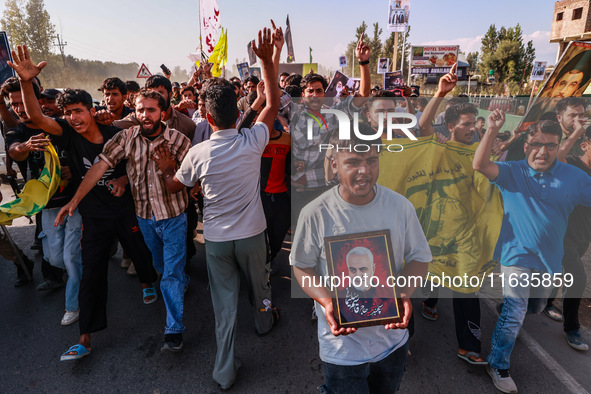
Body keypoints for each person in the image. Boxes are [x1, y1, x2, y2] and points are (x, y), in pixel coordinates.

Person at [8, 44, 158, 361]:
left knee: (137, 249)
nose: (72, 118)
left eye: (78, 111)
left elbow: (137, 165)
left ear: (92, 110)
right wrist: (25, 81)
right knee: (91, 274)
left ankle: (148, 280)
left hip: (123, 208)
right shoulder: (65, 132)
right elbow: (36, 115)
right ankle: (85, 338)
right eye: (67, 113)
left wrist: (123, 181)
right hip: (93, 216)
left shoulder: (113, 133)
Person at [154, 27, 281, 390]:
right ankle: (264, 321)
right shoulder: (254, 140)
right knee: (261, 288)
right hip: (254, 236)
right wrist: (266, 62)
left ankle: (224, 371)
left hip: (218, 242)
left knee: (224, 307)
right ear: (234, 112)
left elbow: (175, 185)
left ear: (207, 119)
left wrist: (166, 167)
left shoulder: (197, 153)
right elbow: (271, 105)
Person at [291, 131, 431, 393]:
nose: (364, 171)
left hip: (392, 343)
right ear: (334, 164)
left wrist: (402, 294)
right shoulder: (315, 213)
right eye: (353, 162)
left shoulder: (400, 207)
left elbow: (419, 259)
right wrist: (327, 301)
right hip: (341, 349)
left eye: (371, 160)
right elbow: (301, 266)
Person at [57, 88, 192, 353]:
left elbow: (189, 179)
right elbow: (100, 165)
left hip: (174, 217)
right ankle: (179, 283)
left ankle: (173, 330)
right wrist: (75, 200)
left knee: (171, 275)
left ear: (162, 112)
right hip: (144, 218)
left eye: (151, 110)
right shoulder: (127, 137)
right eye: (140, 110)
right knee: (160, 266)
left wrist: (169, 170)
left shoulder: (178, 141)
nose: (145, 115)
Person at [473, 116, 591, 393]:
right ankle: (498, 364)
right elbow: (480, 165)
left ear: (558, 146)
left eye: (550, 146)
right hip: (516, 255)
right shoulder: (512, 171)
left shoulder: (574, 177)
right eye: (536, 144)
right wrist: (491, 129)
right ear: (526, 145)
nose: (542, 151)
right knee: (516, 312)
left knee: (535, 307)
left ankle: (506, 312)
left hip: (549, 260)